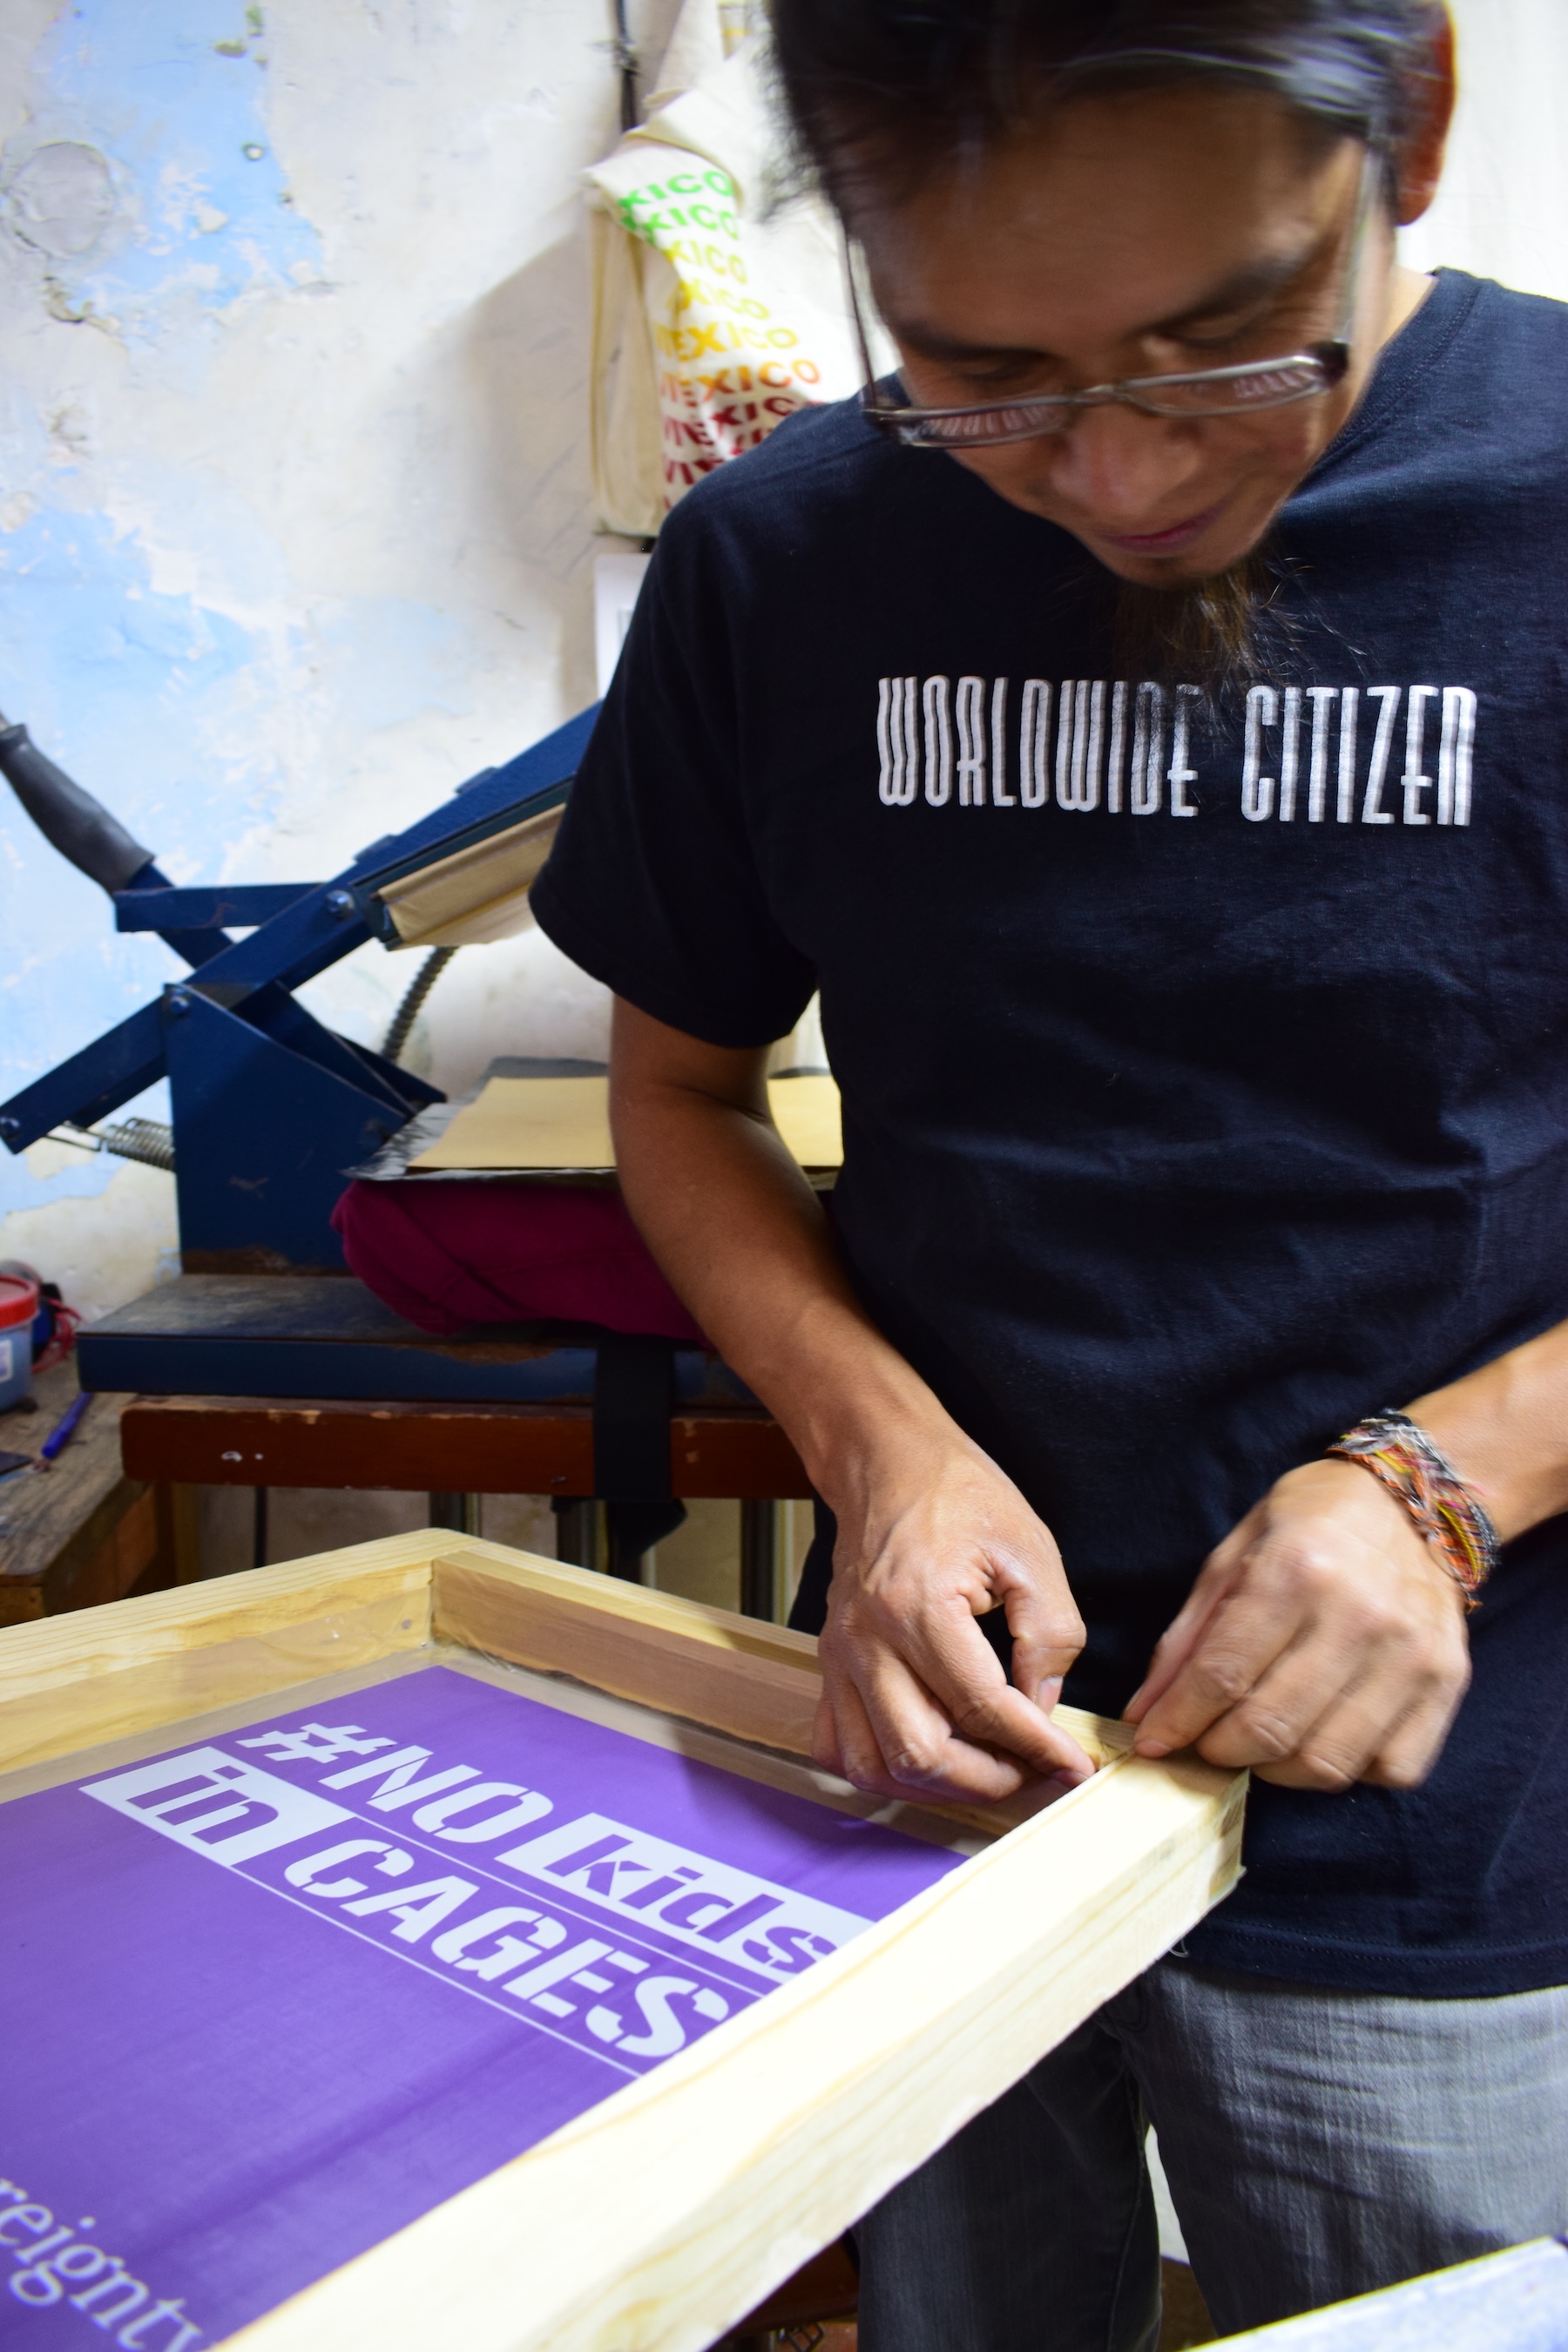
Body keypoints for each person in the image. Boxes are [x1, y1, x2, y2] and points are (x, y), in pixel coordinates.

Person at [531, 2, 1568, 2342]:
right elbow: (680, 1095)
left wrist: (1443, 1480)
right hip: (933, 1773)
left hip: (1459, 1812)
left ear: (1407, 131)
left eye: (1219, 349)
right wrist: (880, 1460)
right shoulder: (784, 553)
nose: (1112, 473)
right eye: (985, 371)